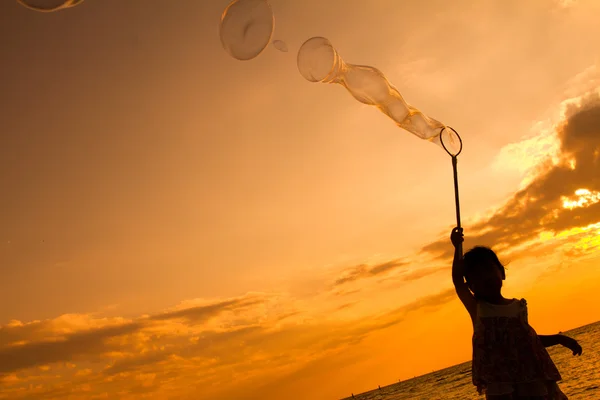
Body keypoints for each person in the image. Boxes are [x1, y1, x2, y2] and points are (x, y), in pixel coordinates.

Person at [450, 227, 582, 400]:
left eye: (489, 270)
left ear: (502, 273)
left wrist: (559, 339)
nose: (486, 277)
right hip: (501, 382)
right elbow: (458, 281)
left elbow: (528, 341)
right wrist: (457, 247)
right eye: (477, 275)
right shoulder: (477, 309)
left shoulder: (518, 307)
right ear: (471, 287)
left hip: (531, 376)